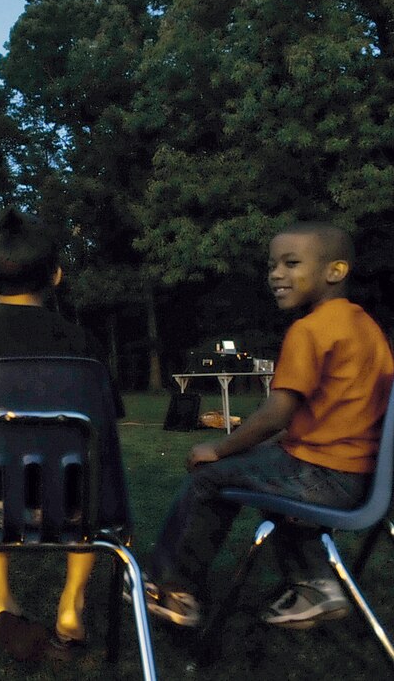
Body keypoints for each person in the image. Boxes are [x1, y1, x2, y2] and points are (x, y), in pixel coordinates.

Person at [135, 221, 393, 630]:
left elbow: (277, 412)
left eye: (291, 264)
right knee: (267, 470)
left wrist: (218, 449)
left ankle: (171, 588)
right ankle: (315, 585)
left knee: (210, 476)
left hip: (321, 474)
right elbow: (332, 410)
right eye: (273, 265)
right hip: (362, 479)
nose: (276, 274)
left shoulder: (310, 330)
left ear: (335, 271)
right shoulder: (367, 329)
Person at [0, 206, 125, 661]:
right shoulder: (85, 344)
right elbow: (105, 426)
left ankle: (2, 598)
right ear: (58, 275)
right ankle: (72, 606)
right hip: (80, 509)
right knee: (88, 474)